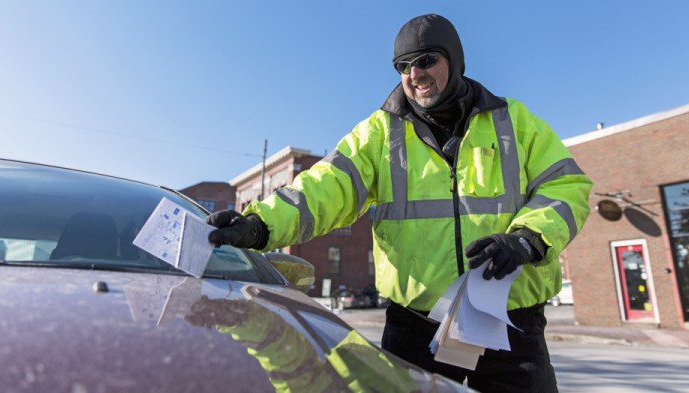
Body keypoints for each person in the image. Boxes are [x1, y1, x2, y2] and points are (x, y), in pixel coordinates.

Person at [208, 13, 592, 393]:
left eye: (426, 60)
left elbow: (566, 186)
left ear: (456, 61)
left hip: (511, 324)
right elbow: (325, 186)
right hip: (414, 328)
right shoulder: (379, 133)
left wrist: (527, 238)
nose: (415, 74)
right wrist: (261, 224)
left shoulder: (515, 122)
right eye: (403, 66)